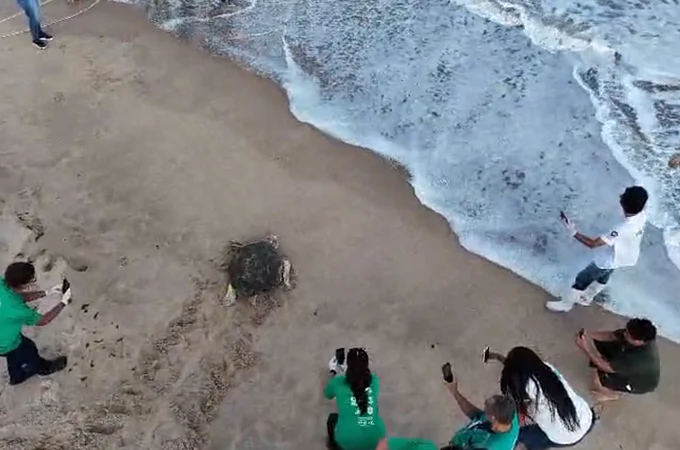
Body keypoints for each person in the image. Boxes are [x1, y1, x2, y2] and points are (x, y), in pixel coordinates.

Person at [547, 185, 648, 312]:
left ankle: (566, 304)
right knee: (603, 278)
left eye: (623, 196)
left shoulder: (622, 229)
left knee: (582, 279)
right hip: (624, 256)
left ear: (624, 204)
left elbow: (593, 244)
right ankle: (587, 298)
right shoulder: (642, 215)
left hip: (607, 259)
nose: (621, 195)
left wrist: (573, 232)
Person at [485, 347, 594, 449]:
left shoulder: (534, 408)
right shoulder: (546, 368)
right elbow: (521, 369)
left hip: (565, 436)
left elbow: (515, 419)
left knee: (516, 434)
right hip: (585, 416)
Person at [0, 262, 71, 385]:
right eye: (31, 280)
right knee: (28, 350)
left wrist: (46, 293)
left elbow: (16, 297)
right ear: (23, 285)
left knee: (13, 356)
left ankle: (15, 376)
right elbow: (43, 320)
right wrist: (63, 302)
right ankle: (42, 368)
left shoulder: (3, 284)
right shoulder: (17, 310)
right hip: (6, 342)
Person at [575, 319, 660, 403]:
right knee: (600, 345)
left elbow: (607, 368)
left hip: (638, 382)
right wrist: (588, 334)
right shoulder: (634, 331)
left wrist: (585, 348)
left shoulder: (639, 360)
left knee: (601, 373)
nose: (624, 333)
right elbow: (610, 336)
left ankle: (611, 395)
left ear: (638, 341)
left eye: (627, 334)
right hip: (628, 360)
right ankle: (606, 361)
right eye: (626, 331)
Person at [324, 348, 386, 450]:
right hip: (376, 441)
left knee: (332, 419)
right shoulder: (374, 380)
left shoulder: (338, 382)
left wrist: (333, 372)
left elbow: (327, 394)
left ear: (348, 366)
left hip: (346, 441)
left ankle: (333, 446)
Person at [444, 368, 519, 450]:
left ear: (493, 417)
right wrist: (455, 392)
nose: (484, 411)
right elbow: (476, 415)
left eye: (486, 410)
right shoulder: (509, 415)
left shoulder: (491, 446)